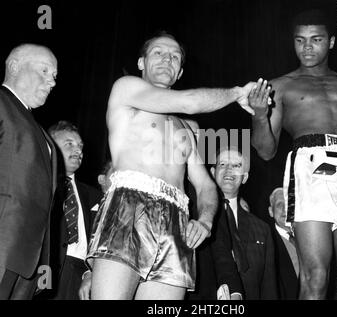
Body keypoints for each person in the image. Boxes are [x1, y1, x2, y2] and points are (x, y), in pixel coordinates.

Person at [84, 31, 258, 300]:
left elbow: (204, 185)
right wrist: (237, 93)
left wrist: (205, 221)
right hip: (129, 204)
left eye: (174, 56)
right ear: (141, 63)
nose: (167, 59)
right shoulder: (125, 89)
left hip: (177, 219)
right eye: (158, 53)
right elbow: (189, 102)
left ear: (180, 72)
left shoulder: (187, 129)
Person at [250, 9, 337, 299]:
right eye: (300, 40)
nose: (307, 48)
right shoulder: (281, 85)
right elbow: (265, 151)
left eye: (315, 39)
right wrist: (260, 115)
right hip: (311, 166)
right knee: (315, 276)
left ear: (331, 42)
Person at [0, 44, 57, 299]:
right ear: (14, 66)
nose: (52, 81)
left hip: (27, 262)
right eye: (44, 71)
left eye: (54, 76)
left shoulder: (41, 131)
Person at [36, 121, 101, 300]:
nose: (78, 150)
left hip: (81, 276)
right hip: (45, 269)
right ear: (51, 146)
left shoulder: (95, 196)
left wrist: (91, 273)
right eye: (69, 144)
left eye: (80, 146)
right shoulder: (38, 186)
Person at [210, 146, 278, 299]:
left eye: (236, 165)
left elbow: (269, 288)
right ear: (212, 173)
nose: (229, 169)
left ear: (245, 177)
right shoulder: (197, 219)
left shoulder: (262, 230)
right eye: (222, 164)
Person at [268, 187, 299, 299]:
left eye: (288, 203)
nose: (285, 208)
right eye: (279, 204)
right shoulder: (267, 242)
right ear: (271, 211)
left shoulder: (310, 237)